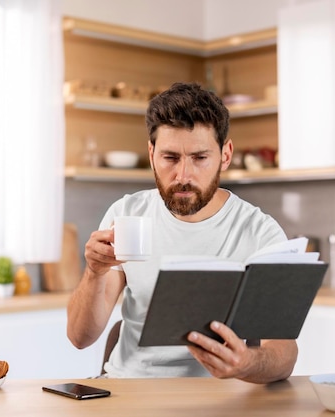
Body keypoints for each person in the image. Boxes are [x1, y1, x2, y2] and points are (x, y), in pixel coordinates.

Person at [67, 82, 297, 384]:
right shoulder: (125, 215)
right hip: (128, 388)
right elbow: (80, 338)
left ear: (225, 155)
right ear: (151, 154)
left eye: (200, 158)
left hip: (218, 399)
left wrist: (248, 363)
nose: (184, 176)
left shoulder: (259, 232)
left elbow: (284, 352)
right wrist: (94, 273)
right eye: (170, 158)